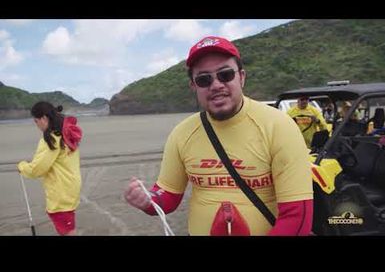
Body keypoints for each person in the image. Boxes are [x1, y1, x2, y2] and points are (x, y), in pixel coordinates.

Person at [124, 36, 313, 236]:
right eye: (204, 79)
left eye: (225, 75)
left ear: (241, 77)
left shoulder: (279, 127)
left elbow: (297, 217)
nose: (215, 85)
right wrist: (148, 200)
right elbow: (167, 196)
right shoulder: (182, 133)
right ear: (193, 86)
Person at [17, 102, 82, 236]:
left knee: (68, 232)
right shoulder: (66, 132)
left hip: (61, 194)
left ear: (44, 119)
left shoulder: (52, 138)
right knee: (68, 228)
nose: (37, 125)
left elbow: (37, 169)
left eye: (36, 121)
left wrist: (22, 167)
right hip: (70, 189)